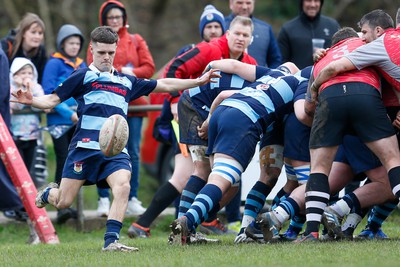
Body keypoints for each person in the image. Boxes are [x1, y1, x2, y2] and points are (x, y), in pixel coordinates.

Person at [11, 26, 219, 252]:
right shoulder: (82, 76)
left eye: (111, 52)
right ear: (91, 50)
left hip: (115, 151)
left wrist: (198, 82)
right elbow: (52, 100)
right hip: (84, 149)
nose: (106, 57)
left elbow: (165, 84)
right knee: (64, 201)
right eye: (101, 53)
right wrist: (32, 101)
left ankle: (111, 241)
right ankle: (48, 192)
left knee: (122, 186)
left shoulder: (126, 81)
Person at [168, 59, 308, 245]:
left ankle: (237, 230)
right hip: (244, 119)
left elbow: (225, 93)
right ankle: (188, 221)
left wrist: (209, 121)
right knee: (221, 180)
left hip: (222, 112)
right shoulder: (302, 84)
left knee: (223, 180)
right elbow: (302, 113)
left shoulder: (271, 76)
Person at [127, 4, 226, 238]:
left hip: (205, 121)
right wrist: (173, 101)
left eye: (217, 26)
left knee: (203, 172)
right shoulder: (192, 50)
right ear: (202, 30)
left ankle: (206, 221)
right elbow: (170, 74)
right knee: (183, 176)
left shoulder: (224, 56)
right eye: (208, 26)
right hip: (185, 120)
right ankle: (143, 224)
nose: (213, 31)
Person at [298, 26, 400, 242]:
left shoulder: (321, 59)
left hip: (329, 99)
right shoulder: (368, 46)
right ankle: (354, 220)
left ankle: (311, 233)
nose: (363, 35)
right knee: (392, 160)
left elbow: (308, 110)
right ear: (356, 38)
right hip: (365, 97)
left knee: (319, 169)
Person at [165, 15, 257, 236]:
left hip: (217, 115)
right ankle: (182, 227)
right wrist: (174, 100)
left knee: (230, 180)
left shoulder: (251, 64)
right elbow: (174, 68)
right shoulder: (209, 49)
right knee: (203, 169)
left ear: (251, 40)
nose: (240, 38)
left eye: (245, 35)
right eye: (236, 33)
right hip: (193, 106)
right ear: (227, 34)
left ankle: (196, 221)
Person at [87, 0, 156, 217]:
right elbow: (92, 68)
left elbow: (149, 68)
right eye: (110, 18)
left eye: (118, 17)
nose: (115, 21)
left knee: (132, 152)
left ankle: (132, 197)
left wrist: (131, 72)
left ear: (124, 18)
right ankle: (103, 199)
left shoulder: (136, 40)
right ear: (104, 20)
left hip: (132, 106)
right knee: (104, 147)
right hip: (106, 104)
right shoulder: (97, 42)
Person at [42, 24, 86, 224]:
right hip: (60, 121)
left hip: (78, 120)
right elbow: (49, 92)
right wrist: (69, 114)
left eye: (77, 43)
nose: (74, 46)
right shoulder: (54, 63)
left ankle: (69, 203)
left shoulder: (81, 64)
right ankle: (58, 205)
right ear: (62, 43)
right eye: (70, 43)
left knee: (74, 162)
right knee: (62, 159)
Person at [9, 58, 47, 186]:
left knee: (28, 170)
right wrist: (19, 88)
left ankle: (26, 203)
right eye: (23, 73)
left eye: (29, 73)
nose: (27, 76)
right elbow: (16, 107)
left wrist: (31, 89)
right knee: (16, 171)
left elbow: (40, 105)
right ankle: (16, 202)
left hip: (32, 135)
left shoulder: (37, 88)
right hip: (14, 135)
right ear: (14, 74)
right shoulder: (10, 88)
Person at [278, 0, 340, 69]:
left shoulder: (333, 26)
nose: (312, 5)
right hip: (298, 78)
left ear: (321, 3)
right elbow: (281, 64)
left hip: (328, 78)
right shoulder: (288, 29)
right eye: (308, 0)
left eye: (316, 1)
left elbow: (341, 55)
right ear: (302, 2)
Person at [225, 0, 282, 68]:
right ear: (231, 3)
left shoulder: (265, 29)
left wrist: (268, 77)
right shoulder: (219, 26)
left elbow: (275, 60)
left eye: (248, 3)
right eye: (240, 3)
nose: (244, 7)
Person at [1, 12, 47, 83]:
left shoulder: (41, 52)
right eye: (33, 32)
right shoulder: (7, 46)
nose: (37, 36)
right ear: (23, 33)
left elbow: (40, 80)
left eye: (40, 33)